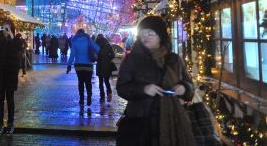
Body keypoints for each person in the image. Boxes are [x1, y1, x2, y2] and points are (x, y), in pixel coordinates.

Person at [116, 16, 196, 146]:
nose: (145, 37)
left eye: (150, 33)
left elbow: (190, 85)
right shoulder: (132, 59)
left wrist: (184, 88)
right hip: (141, 125)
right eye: (142, 33)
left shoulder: (174, 59)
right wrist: (144, 89)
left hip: (173, 122)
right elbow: (122, 88)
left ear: (161, 35)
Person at [0, 22, 21, 135]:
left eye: (7, 28)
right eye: (4, 28)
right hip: (0, 75)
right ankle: (0, 124)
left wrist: (11, 35)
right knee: (0, 101)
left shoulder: (15, 40)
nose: (5, 30)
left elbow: (18, 48)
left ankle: (10, 124)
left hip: (10, 75)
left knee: (10, 100)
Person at [66, 29, 100, 106]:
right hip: (88, 65)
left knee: (80, 82)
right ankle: (89, 98)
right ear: (84, 33)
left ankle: (81, 99)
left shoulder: (74, 41)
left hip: (78, 65)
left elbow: (72, 55)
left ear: (77, 33)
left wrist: (69, 65)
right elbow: (97, 49)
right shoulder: (88, 40)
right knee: (88, 82)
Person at [95, 34, 115, 103]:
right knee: (106, 81)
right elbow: (113, 55)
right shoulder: (108, 44)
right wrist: (108, 57)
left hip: (99, 65)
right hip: (107, 65)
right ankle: (109, 93)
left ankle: (102, 96)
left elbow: (95, 56)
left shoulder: (96, 44)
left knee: (100, 82)